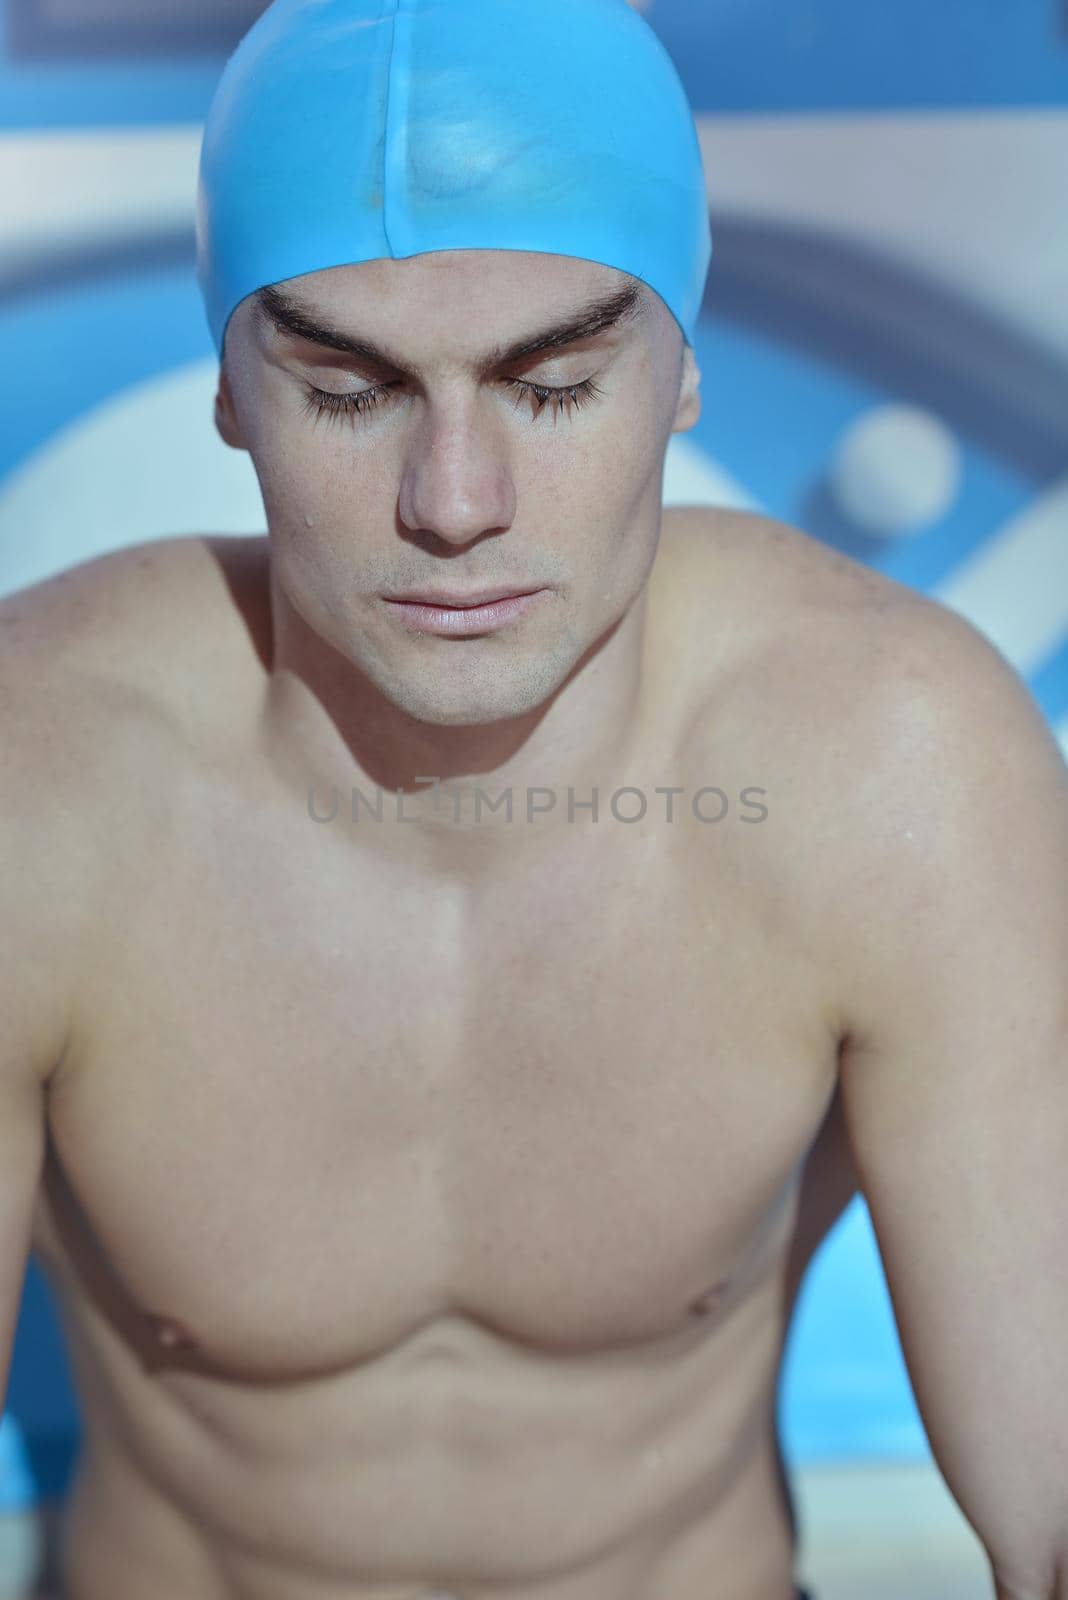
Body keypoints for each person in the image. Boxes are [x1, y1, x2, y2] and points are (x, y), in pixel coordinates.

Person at [2, 2, 1067, 1598]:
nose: (456, 505)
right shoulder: (42, 772)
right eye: (351, 393)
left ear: (683, 367)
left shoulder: (894, 762)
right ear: (227, 387)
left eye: (554, 386)